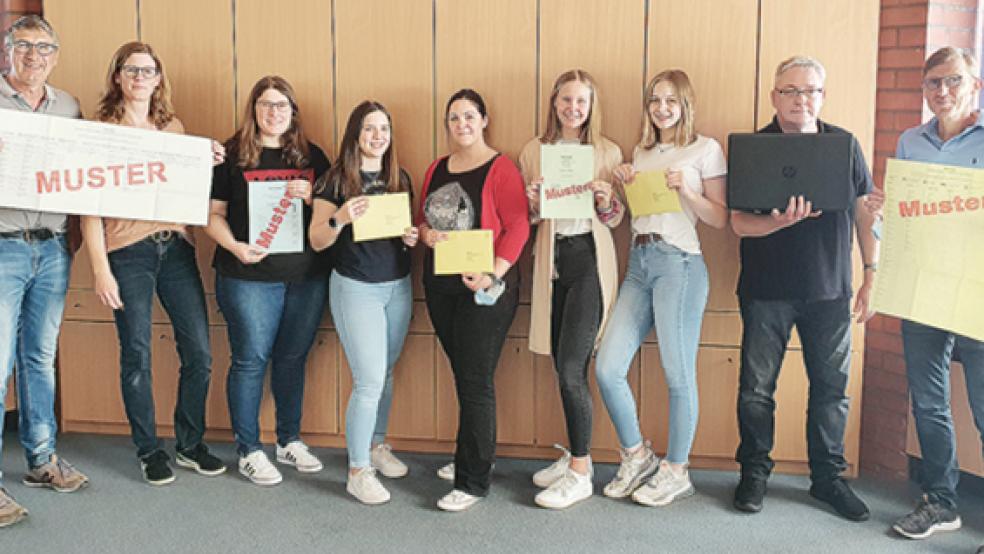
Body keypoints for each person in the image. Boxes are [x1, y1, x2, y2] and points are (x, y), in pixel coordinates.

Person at [730, 56, 878, 521]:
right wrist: (779, 223)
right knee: (756, 390)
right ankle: (754, 473)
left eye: (810, 90)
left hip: (830, 291)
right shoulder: (754, 147)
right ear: (774, 96)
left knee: (832, 391)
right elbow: (737, 223)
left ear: (822, 96)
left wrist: (872, 272)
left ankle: (827, 479)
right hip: (765, 290)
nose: (800, 99)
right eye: (790, 90)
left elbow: (862, 212)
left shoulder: (845, 145)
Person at [82, 41, 226, 486]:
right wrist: (100, 267)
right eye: (131, 70)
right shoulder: (100, 129)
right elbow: (86, 203)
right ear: (118, 77)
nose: (140, 77)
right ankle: (148, 449)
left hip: (177, 248)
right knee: (137, 354)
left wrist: (208, 162)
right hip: (127, 252)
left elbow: (184, 186)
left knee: (200, 353)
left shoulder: (173, 127)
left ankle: (188, 444)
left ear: (159, 78)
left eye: (147, 70)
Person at [595, 69, 728, 507]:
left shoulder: (705, 149)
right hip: (639, 260)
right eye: (655, 100)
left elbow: (718, 218)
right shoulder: (642, 150)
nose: (662, 108)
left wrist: (687, 190)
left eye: (671, 100)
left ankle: (677, 468)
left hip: (680, 265)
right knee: (607, 367)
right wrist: (626, 183)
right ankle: (637, 455)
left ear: (685, 104)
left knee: (677, 372)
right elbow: (641, 212)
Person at [206, 76, 331, 486]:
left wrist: (312, 196)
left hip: (306, 277)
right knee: (249, 360)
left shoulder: (312, 156)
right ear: (253, 109)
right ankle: (249, 448)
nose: (274, 112)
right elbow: (212, 216)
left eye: (281, 105)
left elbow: (333, 216)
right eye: (265, 104)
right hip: (247, 276)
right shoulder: (231, 154)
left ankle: (288, 439)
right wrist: (236, 247)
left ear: (293, 111)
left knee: (293, 358)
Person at [888, 47, 984, 541]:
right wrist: (883, 208)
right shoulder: (910, 141)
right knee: (928, 402)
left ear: (975, 85)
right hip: (923, 288)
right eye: (932, 84)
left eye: (952, 81)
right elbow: (906, 219)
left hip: (977, 294)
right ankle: (942, 503)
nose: (941, 92)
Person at [417, 89, 529, 511]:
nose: (461, 125)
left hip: (486, 289)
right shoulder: (436, 168)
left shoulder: (501, 168)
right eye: (453, 118)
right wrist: (426, 235)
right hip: (441, 286)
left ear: (484, 120)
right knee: (464, 374)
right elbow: (423, 221)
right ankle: (472, 453)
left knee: (475, 381)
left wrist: (492, 273)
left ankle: (473, 480)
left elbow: (519, 225)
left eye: (469, 116)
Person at [519, 69, 624, 509]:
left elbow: (618, 218)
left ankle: (581, 470)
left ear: (591, 106)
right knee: (564, 367)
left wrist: (605, 201)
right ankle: (573, 457)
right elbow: (527, 219)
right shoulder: (533, 151)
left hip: (588, 262)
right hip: (551, 262)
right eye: (566, 100)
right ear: (554, 103)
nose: (573, 109)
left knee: (570, 368)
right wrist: (532, 202)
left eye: (581, 102)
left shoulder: (607, 151)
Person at [0, 15, 88, 528]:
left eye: (44, 47)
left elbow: (108, 161)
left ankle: (41, 460)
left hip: (53, 248)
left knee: (38, 357)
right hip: (4, 246)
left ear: (56, 54)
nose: (34, 55)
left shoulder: (70, 106)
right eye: (24, 45)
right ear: (8, 50)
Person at [309, 101, 418, 504]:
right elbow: (318, 239)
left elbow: (403, 233)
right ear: (355, 134)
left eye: (384, 129)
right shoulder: (335, 180)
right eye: (370, 129)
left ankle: (376, 444)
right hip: (356, 288)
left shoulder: (398, 176)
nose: (378, 136)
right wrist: (340, 218)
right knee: (369, 379)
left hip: (398, 286)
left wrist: (409, 237)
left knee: (385, 373)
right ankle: (358, 469)